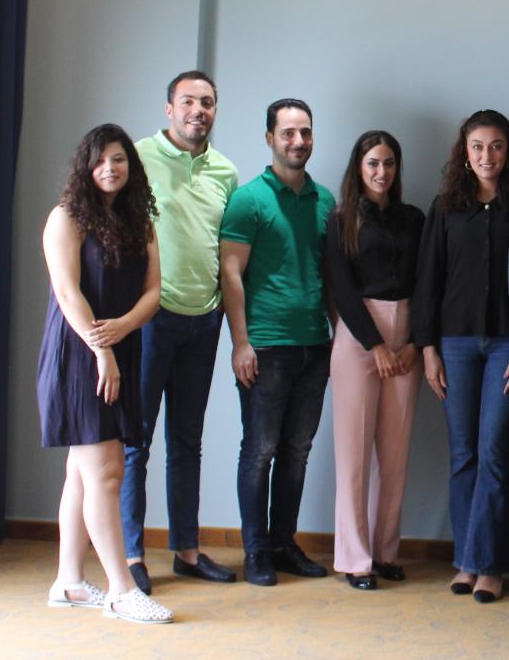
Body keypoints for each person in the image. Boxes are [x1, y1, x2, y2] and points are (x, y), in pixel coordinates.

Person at [37, 124, 173, 624]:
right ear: (85, 167)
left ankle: (69, 582)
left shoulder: (140, 222)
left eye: (118, 159)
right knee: (107, 471)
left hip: (120, 346)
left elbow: (154, 291)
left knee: (82, 471)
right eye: (99, 160)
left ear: (130, 166)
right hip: (80, 354)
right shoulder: (67, 217)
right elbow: (67, 292)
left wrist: (124, 328)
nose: (109, 168)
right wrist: (102, 349)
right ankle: (121, 590)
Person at [120, 70, 239, 596]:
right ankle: (129, 555)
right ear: (169, 108)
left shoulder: (225, 172)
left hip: (204, 319)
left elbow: (226, 250)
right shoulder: (138, 158)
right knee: (136, 441)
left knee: (187, 442)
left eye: (207, 102)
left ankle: (187, 551)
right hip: (151, 318)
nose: (198, 110)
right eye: (188, 101)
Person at [412, 110, 509, 603]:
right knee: (463, 454)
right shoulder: (445, 208)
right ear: (464, 153)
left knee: (494, 453)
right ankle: (466, 560)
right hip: (455, 345)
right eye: (478, 146)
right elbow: (428, 281)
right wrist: (428, 348)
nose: (487, 156)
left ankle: (490, 565)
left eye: (497, 146)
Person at [219, 98, 334, 586]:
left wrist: (338, 339)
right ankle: (255, 551)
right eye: (288, 133)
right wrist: (240, 343)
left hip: (315, 345)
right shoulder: (249, 200)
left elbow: (332, 277)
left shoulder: (325, 201)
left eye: (305, 132)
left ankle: (284, 543)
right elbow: (230, 273)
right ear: (270, 138)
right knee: (260, 450)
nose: (298, 141)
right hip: (265, 347)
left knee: (297, 451)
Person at [323, 130, 426, 591]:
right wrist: (376, 345)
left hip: (406, 336)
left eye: (388, 163)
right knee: (354, 456)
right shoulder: (341, 219)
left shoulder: (413, 218)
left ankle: (385, 553)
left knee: (395, 455)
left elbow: (425, 282)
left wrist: (413, 342)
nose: (381, 172)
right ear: (358, 168)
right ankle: (354, 559)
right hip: (359, 336)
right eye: (372, 164)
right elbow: (341, 288)